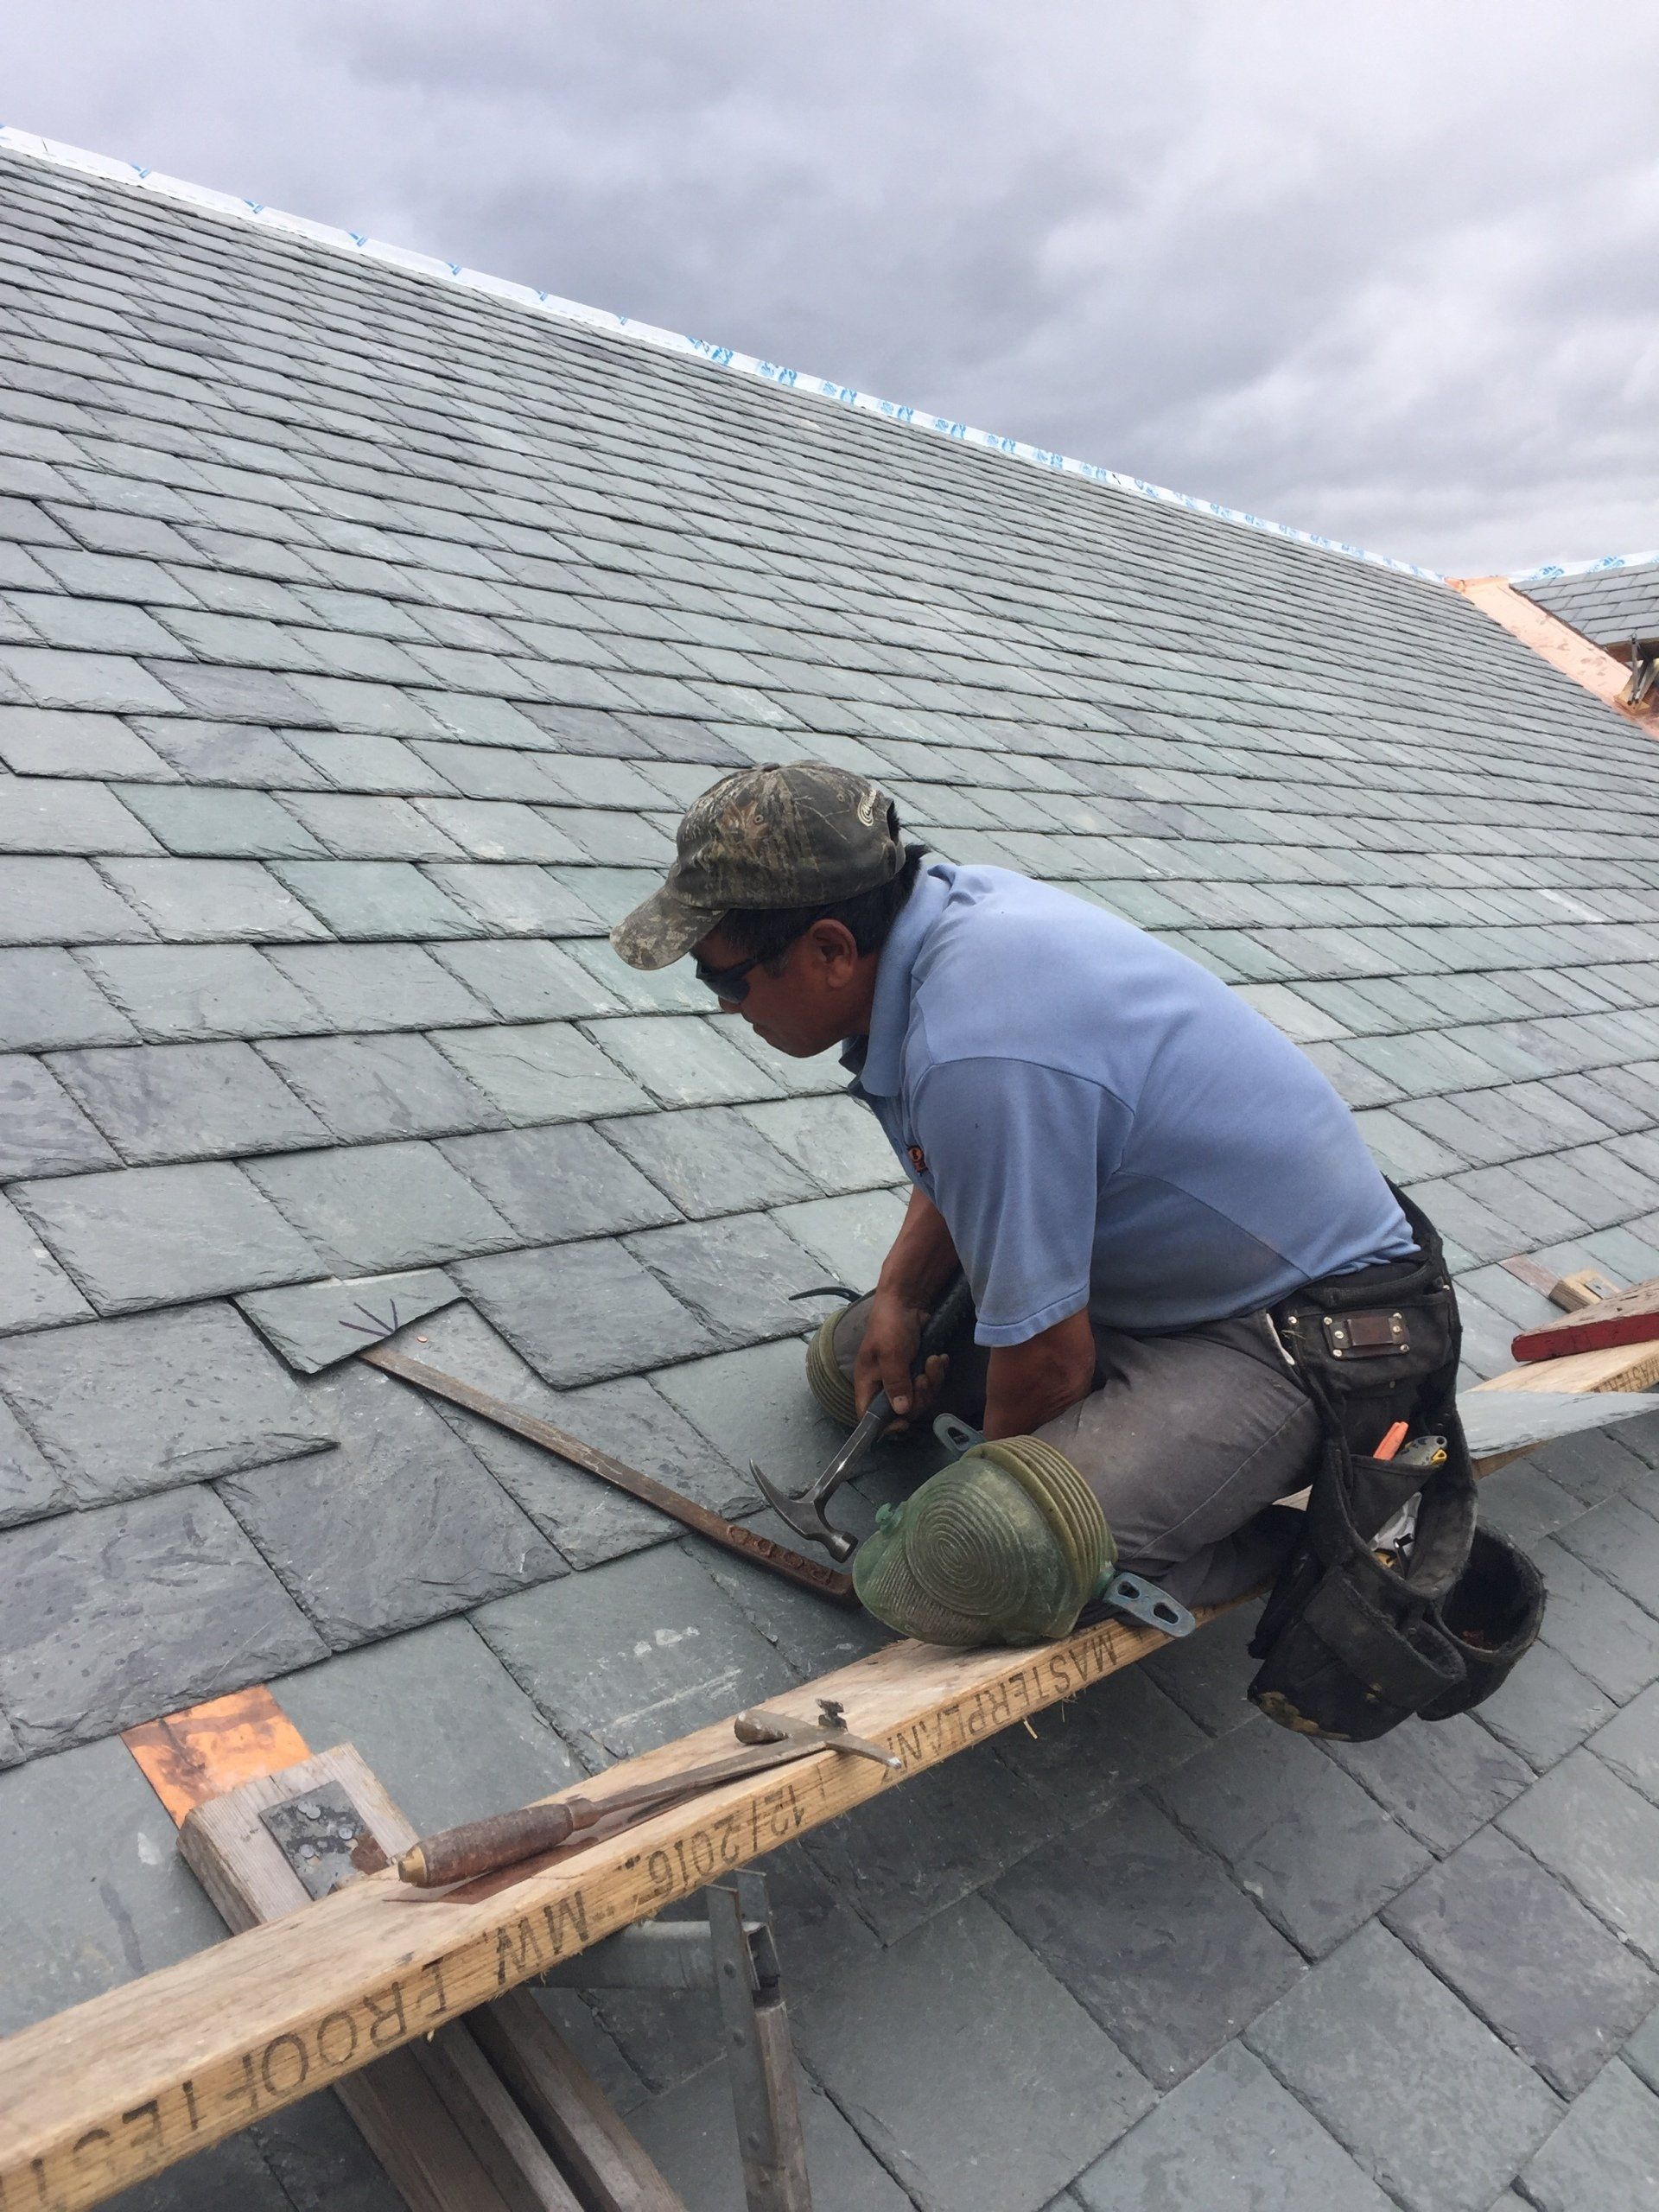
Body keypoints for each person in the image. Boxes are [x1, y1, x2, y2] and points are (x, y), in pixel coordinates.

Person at [611, 761, 1430, 1649]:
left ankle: (1323, 1534)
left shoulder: (979, 1045)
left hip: (1305, 1337)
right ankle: (1145, 1485)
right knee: (849, 1364)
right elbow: (970, 1162)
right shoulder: (943, 935)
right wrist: (901, 1296)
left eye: (724, 981)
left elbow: (1043, 1358)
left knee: (987, 1552)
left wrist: (988, 1506)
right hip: (1163, 1281)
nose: (730, 1008)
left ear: (832, 949)